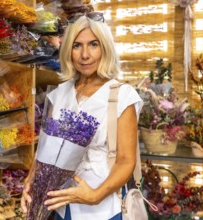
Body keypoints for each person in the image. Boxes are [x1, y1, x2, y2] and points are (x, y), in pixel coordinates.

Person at [21, 12, 143, 220]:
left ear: (105, 47)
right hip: (59, 207)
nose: (85, 54)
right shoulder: (59, 94)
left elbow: (125, 161)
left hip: (101, 210)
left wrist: (95, 196)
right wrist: (31, 181)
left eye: (93, 44)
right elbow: (47, 147)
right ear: (68, 50)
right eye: (77, 45)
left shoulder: (121, 96)